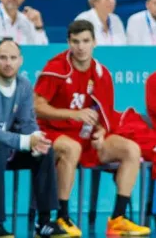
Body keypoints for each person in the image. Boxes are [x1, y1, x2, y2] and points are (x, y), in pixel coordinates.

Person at [34, 20, 150, 237]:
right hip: (53, 132)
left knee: (131, 149)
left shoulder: (101, 73)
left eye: (86, 41)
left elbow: (104, 115)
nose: (81, 47)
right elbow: (37, 107)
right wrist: (72, 114)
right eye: (76, 42)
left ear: (94, 42)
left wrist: (101, 133)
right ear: (68, 43)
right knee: (72, 148)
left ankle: (117, 219)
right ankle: (62, 216)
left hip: (86, 136)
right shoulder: (56, 68)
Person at [0, 41, 67, 238]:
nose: (8, 63)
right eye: (3, 58)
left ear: (20, 61)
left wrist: (36, 138)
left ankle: (44, 221)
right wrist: (24, 141)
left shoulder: (24, 85)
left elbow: (27, 123)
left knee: (44, 151)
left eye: (13, 58)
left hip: (4, 146)